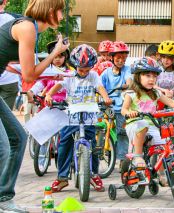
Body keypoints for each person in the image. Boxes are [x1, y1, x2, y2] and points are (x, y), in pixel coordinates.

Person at [0, 0, 68, 212]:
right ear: (50, 11)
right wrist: (55, 52)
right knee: (3, 148)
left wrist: (49, 72)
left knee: (18, 138)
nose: (63, 16)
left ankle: (4, 197)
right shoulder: (27, 27)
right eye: (61, 11)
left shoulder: (27, 27)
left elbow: (13, 66)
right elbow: (29, 75)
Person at [45, 44, 112, 192]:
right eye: (81, 70)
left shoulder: (94, 76)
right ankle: (62, 177)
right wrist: (49, 95)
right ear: (75, 66)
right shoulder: (69, 75)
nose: (83, 73)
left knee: (93, 145)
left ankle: (94, 174)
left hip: (88, 115)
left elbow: (100, 87)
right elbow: (58, 85)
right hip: (72, 115)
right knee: (64, 144)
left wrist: (106, 98)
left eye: (87, 70)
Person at [121, 57, 174, 184]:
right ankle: (137, 156)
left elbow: (170, 102)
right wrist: (130, 113)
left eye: (154, 76)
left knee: (164, 145)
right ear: (137, 77)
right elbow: (123, 110)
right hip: (135, 125)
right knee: (143, 124)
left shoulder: (156, 93)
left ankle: (162, 173)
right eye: (147, 75)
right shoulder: (131, 93)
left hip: (152, 125)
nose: (152, 79)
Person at [100, 41, 132, 170]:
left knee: (122, 132)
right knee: (99, 127)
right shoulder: (106, 72)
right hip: (107, 105)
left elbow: (129, 81)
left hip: (120, 106)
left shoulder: (127, 70)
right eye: (118, 58)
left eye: (123, 58)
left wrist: (126, 85)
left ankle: (122, 159)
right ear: (112, 57)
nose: (121, 60)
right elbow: (99, 84)